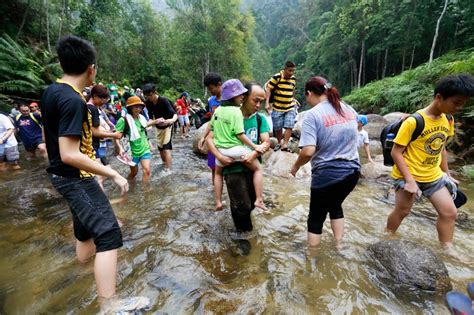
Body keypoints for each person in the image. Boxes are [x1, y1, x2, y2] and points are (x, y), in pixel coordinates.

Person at [40, 35, 148, 311]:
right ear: (91, 69)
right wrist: (111, 172)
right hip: (75, 177)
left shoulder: (52, 91)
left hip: (61, 175)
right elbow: (69, 153)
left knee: (84, 232)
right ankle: (109, 303)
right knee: (109, 234)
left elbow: (49, 136)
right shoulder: (74, 101)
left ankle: (83, 275)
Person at [385, 74, 474, 255]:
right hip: (407, 175)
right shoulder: (414, 121)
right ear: (439, 97)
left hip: (433, 175)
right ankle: (388, 234)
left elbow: (441, 148)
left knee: (449, 213)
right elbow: (396, 151)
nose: (459, 108)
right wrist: (409, 181)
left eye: (462, 104)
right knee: (403, 211)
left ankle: (447, 248)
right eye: (456, 102)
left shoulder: (448, 119)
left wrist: (447, 174)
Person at [291, 76, 360, 249]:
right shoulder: (347, 108)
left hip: (328, 174)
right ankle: (339, 246)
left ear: (309, 93)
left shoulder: (312, 115)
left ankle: (312, 258)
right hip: (353, 172)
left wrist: (295, 166)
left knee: (316, 216)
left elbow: (307, 151)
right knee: (335, 205)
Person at [206, 82, 271, 240]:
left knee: (248, 205)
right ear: (243, 97)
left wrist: (253, 154)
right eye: (255, 100)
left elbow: (266, 142)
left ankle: (243, 234)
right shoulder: (228, 114)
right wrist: (219, 157)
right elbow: (210, 138)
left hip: (250, 167)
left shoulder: (260, 119)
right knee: (241, 206)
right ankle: (243, 239)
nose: (258, 105)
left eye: (261, 102)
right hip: (232, 169)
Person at [87, 84, 122, 189]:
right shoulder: (92, 109)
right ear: (95, 96)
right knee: (99, 177)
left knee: (97, 175)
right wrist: (113, 135)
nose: (104, 103)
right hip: (91, 146)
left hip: (90, 146)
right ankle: (102, 201)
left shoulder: (87, 107)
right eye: (103, 100)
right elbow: (95, 132)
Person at [115, 96, 157, 183]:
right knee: (134, 172)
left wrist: (156, 121)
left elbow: (144, 129)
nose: (138, 109)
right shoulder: (123, 120)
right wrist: (120, 148)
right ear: (130, 108)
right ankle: (128, 184)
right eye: (135, 106)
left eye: (140, 106)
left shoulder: (142, 118)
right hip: (132, 152)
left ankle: (146, 193)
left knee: (147, 171)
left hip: (144, 148)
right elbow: (117, 136)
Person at [143, 83, 177, 170]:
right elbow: (150, 117)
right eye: (146, 96)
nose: (149, 97)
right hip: (158, 127)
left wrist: (171, 121)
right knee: (160, 149)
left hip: (168, 126)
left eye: (150, 95)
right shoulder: (148, 103)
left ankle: (169, 170)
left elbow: (174, 114)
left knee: (166, 148)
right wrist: (150, 124)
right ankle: (164, 164)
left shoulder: (164, 100)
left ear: (155, 92)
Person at [265, 61, 297, 151]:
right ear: (285, 69)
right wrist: (267, 103)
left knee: (289, 125)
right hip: (277, 107)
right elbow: (268, 88)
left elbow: (292, 90)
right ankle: (279, 142)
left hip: (290, 106)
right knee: (278, 127)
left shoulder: (293, 79)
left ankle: (285, 144)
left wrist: (293, 99)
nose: (291, 73)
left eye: (293, 71)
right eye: (290, 71)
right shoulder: (277, 77)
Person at [199, 72, 223, 185]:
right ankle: (215, 192)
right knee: (213, 167)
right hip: (213, 138)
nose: (210, 91)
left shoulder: (230, 99)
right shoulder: (211, 101)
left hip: (226, 138)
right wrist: (203, 137)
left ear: (219, 84)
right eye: (209, 89)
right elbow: (211, 121)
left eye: (211, 88)